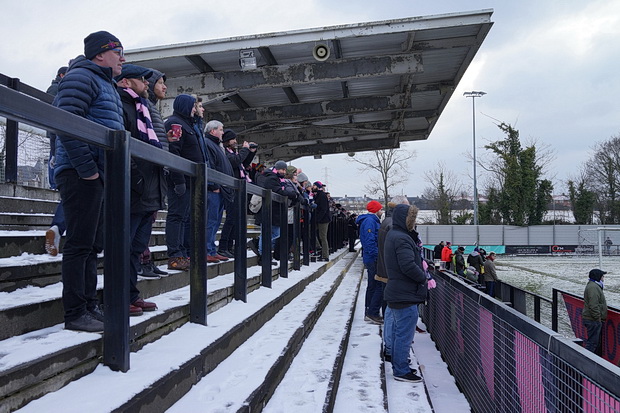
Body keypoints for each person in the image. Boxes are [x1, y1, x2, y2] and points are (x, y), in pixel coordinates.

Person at [53, 31, 125, 332]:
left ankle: (90, 305)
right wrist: (88, 170)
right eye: (118, 52)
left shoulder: (105, 83)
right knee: (80, 243)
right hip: (82, 173)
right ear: (100, 54)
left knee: (93, 244)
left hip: (100, 173)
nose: (123, 59)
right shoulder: (81, 77)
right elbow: (65, 122)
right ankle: (75, 312)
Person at [115, 64, 165, 315]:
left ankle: (132, 294)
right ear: (125, 82)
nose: (147, 83)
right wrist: (137, 180)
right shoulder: (121, 105)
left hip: (149, 190)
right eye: (142, 79)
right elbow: (122, 142)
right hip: (134, 188)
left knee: (137, 248)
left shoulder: (143, 108)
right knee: (125, 247)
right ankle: (119, 297)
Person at [384, 204, 427, 383]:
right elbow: (408, 265)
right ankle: (401, 370)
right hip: (404, 293)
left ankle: (399, 364)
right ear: (407, 219)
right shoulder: (401, 238)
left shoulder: (394, 234)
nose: (414, 222)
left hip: (398, 291)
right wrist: (423, 278)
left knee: (398, 332)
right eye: (413, 218)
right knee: (404, 334)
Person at [165, 94, 207, 270]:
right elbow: (174, 152)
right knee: (177, 216)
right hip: (181, 179)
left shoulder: (188, 124)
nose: (194, 109)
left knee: (185, 218)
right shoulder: (175, 123)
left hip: (191, 180)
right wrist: (178, 180)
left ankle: (183, 252)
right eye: (192, 106)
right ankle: (175, 255)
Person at [137, 68, 170, 278]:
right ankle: (141, 261)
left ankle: (146, 260)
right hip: (147, 172)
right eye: (159, 82)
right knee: (143, 221)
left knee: (149, 220)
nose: (164, 87)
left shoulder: (153, 108)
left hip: (156, 171)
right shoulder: (145, 106)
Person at [218, 129, 257, 258]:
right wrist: (245, 150)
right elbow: (235, 161)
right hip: (231, 189)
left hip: (238, 189)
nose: (236, 142)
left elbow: (243, 163)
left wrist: (251, 153)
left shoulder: (232, 152)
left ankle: (230, 246)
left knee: (236, 220)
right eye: (233, 139)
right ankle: (223, 246)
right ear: (227, 141)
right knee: (231, 219)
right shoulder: (225, 153)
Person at [254, 160, 299, 265]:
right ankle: (263, 256)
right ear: (277, 168)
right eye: (282, 169)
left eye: (285, 170)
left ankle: (261, 249)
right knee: (268, 234)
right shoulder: (271, 178)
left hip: (275, 212)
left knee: (275, 234)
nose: (284, 171)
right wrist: (292, 194)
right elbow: (278, 191)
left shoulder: (278, 179)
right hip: (269, 210)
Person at [203, 120, 236, 263]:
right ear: (212, 131)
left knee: (215, 221)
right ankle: (207, 250)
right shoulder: (208, 144)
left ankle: (211, 249)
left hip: (221, 188)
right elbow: (209, 164)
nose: (223, 132)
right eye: (221, 129)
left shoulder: (217, 145)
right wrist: (213, 184)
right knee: (210, 221)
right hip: (214, 189)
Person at [44, 66, 68, 256]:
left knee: (70, 196)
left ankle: (58, 228)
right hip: (77, 153)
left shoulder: (59, 93)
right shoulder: (61, 91)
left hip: (61, 148)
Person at [357, 200, 384, 324]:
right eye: (380, 209)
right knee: (377, 285)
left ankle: (369, 311)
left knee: (373, 285)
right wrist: (377, 255)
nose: (382, 211)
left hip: (370, 257)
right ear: (376, 210)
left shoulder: (369, 221)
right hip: (372, 258)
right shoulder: (370, 221)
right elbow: (369, 241)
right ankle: (372, 312)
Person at [582, 268, 608, 354]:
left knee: (593, 342)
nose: (603, 278)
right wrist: (598, 318)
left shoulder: (593, 286)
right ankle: (585, 362)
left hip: (591, 319)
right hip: (593, 319)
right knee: (592, 343)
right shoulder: (593, 287)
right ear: (598, 277)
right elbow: (593, 305)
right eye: (602, 276)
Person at [313, 181, 331, 261]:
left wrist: (318, 219)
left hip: (323, 220)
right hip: (320, 219)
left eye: (314, 186)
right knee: (313, 232)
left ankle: (325, 255)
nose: (313, 187)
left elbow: (323, 209)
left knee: (323, 237)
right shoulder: (318, 195)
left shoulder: (322, 196)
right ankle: (319, 248)